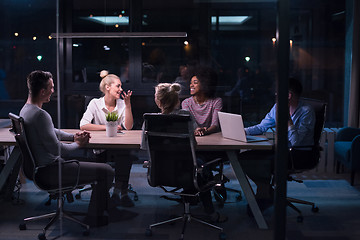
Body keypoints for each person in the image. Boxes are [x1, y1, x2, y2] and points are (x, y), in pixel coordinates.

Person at [19, 70, 114, 227]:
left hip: (39, 169)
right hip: (52, 171)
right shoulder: (40, 115)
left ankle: (100, 210)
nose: (53, 91)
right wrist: (79, 144)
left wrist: (73, 137)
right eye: (51, 87)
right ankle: (94, 218)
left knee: (95, 165)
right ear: (42, 91)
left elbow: (51, 132)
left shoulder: (26, 110)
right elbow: (59, 150)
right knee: (107, 171)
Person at [141, 82, 227, 223]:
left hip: (160, 172)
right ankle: (210, 213)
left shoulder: (149, 120)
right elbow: (193, 145)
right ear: (177, 100)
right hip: (187, 171)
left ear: (158, 101)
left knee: (198, 167)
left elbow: (145, 146)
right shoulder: (185, 117)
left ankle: (189, 197)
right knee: (202, 168)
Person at [241, 77, 316, 211]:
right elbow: (261, 127)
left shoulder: (306, 111)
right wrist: (242, 130)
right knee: (244, 157)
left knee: (262, 162)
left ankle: (264, 194)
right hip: (281, 150)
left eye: (278, 92)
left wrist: (287, 119)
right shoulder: (277, 107)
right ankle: (265, 189)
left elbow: (296, 142)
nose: (276, 94)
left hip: (299, 153)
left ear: (288, 95)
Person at [80, 70, 135, 207]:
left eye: (121, 86)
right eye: (118, 86)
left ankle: (120, 192)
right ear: (107, 87)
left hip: (118, 146)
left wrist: (128, 105)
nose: (121, 89)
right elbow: (83, 125)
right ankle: (102, 193)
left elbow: (128, 127)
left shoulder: (122, 104)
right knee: (103, 160)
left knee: (125, 156)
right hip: (101, 148)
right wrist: (108, 127)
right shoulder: (95, 103)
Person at [181, 66, 223, 136]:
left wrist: (205, 131)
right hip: (194, 136)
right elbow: (190, 124)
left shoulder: (216, 101)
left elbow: (215, 125)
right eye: (190, 83)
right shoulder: (186, 103)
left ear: (205, 84)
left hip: (212, 137)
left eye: (195, 82)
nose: (191, 85)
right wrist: (198, 131)